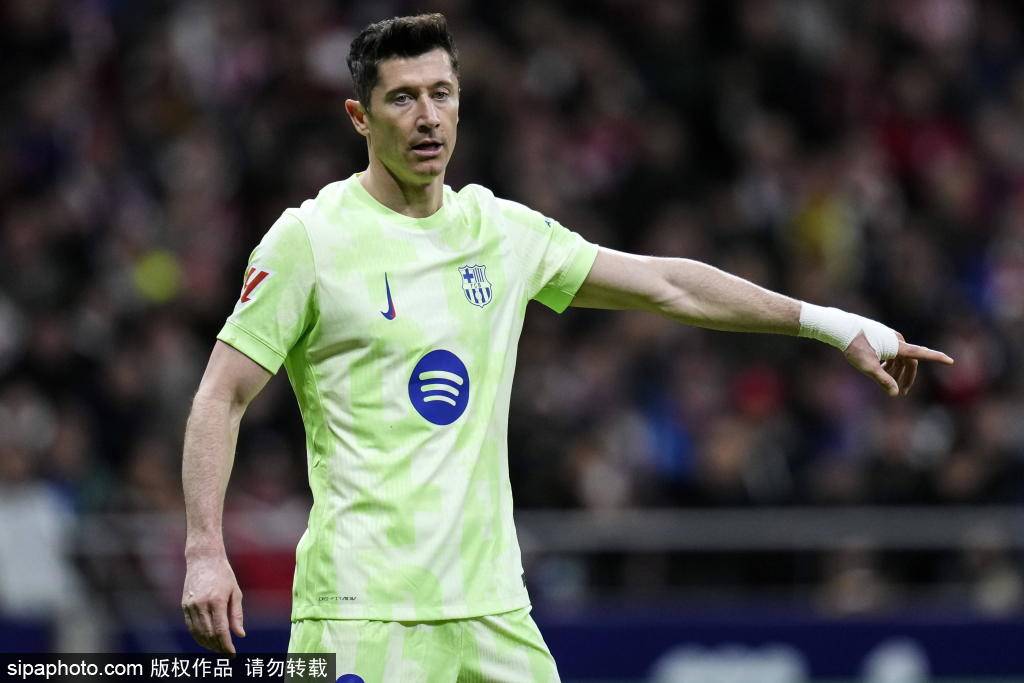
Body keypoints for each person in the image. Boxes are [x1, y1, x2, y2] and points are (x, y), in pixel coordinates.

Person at [180, 13, 953, 682]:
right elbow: (221, 393)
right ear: (360, 116)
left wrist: (828, 322)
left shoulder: (501, 232)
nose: (427, 118)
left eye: (442, 94)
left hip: (492, 608)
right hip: (362, 608)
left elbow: (667, 285)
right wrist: (205, 549)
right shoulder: (310, 240)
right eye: (403, 98)